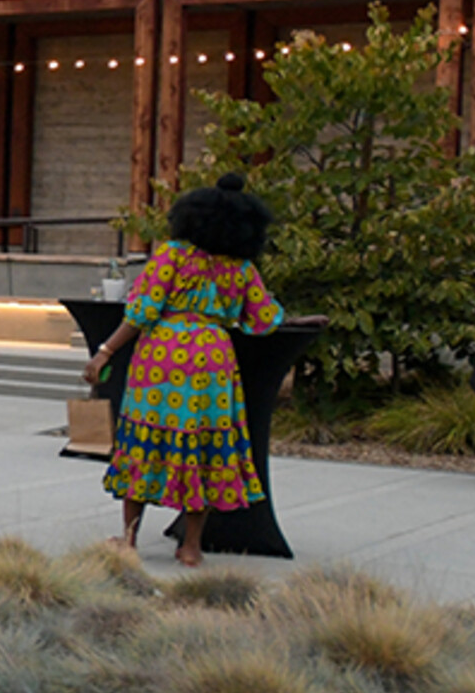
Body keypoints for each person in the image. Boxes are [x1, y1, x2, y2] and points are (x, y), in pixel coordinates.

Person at [82, 174, 321, 567]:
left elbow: (141, 311)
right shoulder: (241, 269)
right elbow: (263, 318)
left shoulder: (174, 255)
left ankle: (128, 541)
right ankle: (191, 546)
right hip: (213, 358)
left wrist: (104, 352)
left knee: (146, 440)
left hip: (164, 356)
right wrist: (301, 320)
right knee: (205, 448)